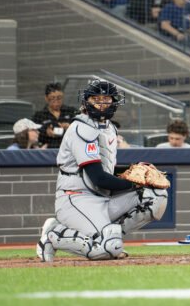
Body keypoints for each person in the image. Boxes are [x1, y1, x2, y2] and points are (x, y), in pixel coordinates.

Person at [36, 78, 168, 262]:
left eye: (106, 99)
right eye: (96, 99)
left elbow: (105, 171)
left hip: (101, 198)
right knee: (108, 248)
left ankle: (107, 236)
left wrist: (139, 173)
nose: (101, 104)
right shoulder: (81, 128)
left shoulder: (109, 128)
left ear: (114, 102)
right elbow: (98, 178)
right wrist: (135, 183)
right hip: (75, 199)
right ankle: (53, 235)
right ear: (86, 101)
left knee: (156, 196)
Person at [32, 83, 78, 149]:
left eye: (59, 98)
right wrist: (45, 132)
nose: (56, 101)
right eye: (52, 98)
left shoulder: (71, 111)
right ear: (46, 98)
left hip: (70, 149)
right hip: (48, 150)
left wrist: (70, 127)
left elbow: (82, 128)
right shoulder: (39, 115)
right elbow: (32, 135)